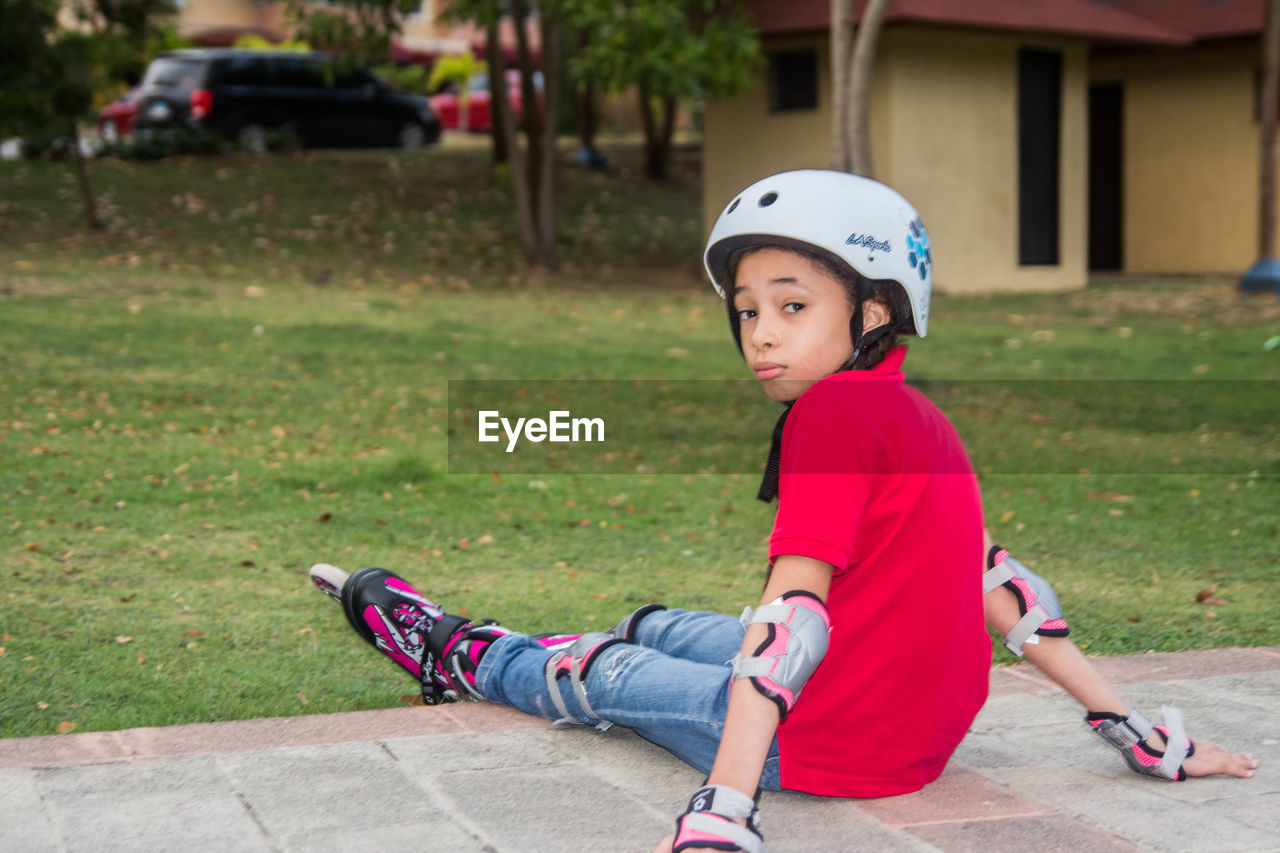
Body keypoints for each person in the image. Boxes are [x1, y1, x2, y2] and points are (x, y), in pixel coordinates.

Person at [310, 171, 1255, 853]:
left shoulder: (833, 417)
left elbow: (793, 619)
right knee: (676, 628)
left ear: (874, 313)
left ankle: (459, 650)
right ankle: (648, 628)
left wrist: (723, 808)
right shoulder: (919, 416)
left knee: (607, 674)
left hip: (829, 741)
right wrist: (1140, 737)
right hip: (921, 734)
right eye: (748, 310)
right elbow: (1008, 593)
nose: (760, 332)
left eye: (792, 304)